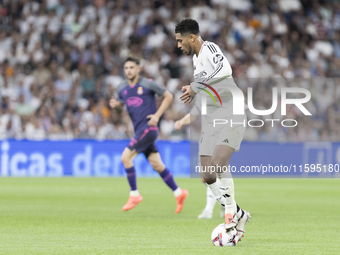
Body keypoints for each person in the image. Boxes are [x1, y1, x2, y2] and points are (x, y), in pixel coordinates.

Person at [175, 19, 250, 242]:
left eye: (180, 41)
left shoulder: (209, 48)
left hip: (233, 111)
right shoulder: (196, 62)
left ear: (191, 37)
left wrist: (195, 87)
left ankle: (230, 216)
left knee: (218, 164)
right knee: (207, 175)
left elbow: (224, 70)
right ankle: (239, 213)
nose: (178, 46)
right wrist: (189, 117)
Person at [110, 57, 188, 213]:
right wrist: (117, 106)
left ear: (138, 69)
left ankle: (134, 194)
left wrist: (157, 116)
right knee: (158, 165)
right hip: (139, 130)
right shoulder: (122, 88)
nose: (129, 70)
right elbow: (120, 109)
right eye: (126, 68)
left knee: (125, 158)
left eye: (132, 67)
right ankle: (179, 192)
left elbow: (168, 96)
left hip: (148, 128)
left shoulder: (147, 84)